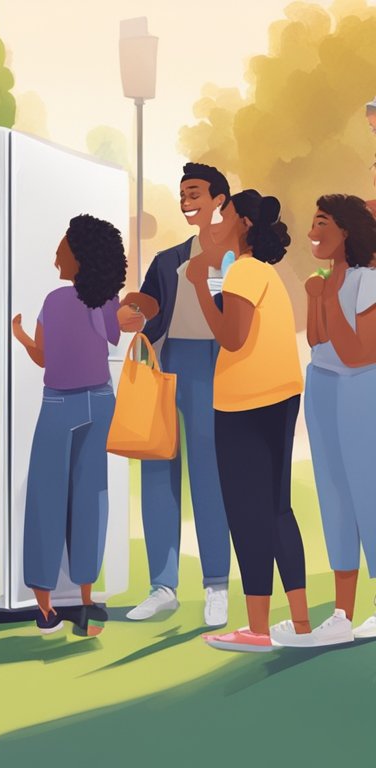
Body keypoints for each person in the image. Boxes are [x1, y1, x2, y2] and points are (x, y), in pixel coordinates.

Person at [12, 215, 156, 636]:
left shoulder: (55, 301)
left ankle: (45, 609)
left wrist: (20, 336)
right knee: (91, 497)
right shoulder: (104, 303)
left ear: (79, 256)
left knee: (46, 498)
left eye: (63, 249)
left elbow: (44, 358)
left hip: (58, 404)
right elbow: (135, 320)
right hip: (100, 402)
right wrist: (135, 306)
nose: (57, 255)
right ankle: (87, 603)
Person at [190, 190, 309, 653]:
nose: (216, 221)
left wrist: (200, 284)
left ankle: (258, 630)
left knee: (246, 514)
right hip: (280, 396)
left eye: (224, 213)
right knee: (278, 509)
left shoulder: (241, 270)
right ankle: (299, 622)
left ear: (241, 222)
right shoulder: (266, 273)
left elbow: (232, 338)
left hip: (244, 403)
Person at [124, 163, 234, 628]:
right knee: (157, 472)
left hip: (215, 369)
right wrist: (134, 312)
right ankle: (162, 587)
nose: (186, 201)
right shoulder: (167, 260)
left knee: (210, 478)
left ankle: (216, 586)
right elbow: (149, 309)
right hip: (169, 367)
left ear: (220, 200)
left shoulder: (238, 261)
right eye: (182, 193)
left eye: (195, 192)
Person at [303, 195, 376, 643]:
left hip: (359, 389)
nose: (313, 231)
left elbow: (358, 353)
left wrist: (329, 298)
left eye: (322, 222)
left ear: (346, 232)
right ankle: (342, 614)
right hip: (321, 385)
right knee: (333, 496)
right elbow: (316, 341)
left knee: (368, 491)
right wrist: (318, 299)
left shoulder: (367, 281)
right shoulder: (327, 279)